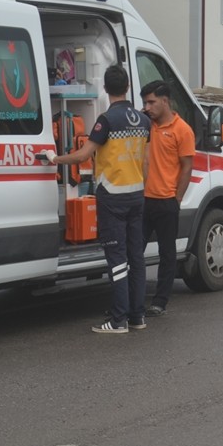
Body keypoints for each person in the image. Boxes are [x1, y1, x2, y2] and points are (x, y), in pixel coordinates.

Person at [48, 64, 150, 333]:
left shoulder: (106, 120)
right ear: (128, 86)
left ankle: (118, 321)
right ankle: (137, 317)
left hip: (112, 198)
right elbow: (147, 162)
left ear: (105, 89)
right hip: (137, 195)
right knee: (136, 258)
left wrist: (55, 159)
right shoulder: (143, 120)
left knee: (117, 259)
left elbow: (83, 156)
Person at [140, 80, 195, 317]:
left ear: (165, 101)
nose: (147, 107)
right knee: (134, 251)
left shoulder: (182, 130)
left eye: (151, 102)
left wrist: (177, 198)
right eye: (145, 102)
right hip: (142, 200)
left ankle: (160, 301)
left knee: (167, 253)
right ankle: (131, 298)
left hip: (166, 201)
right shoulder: (144, 125)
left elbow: (187, 167)